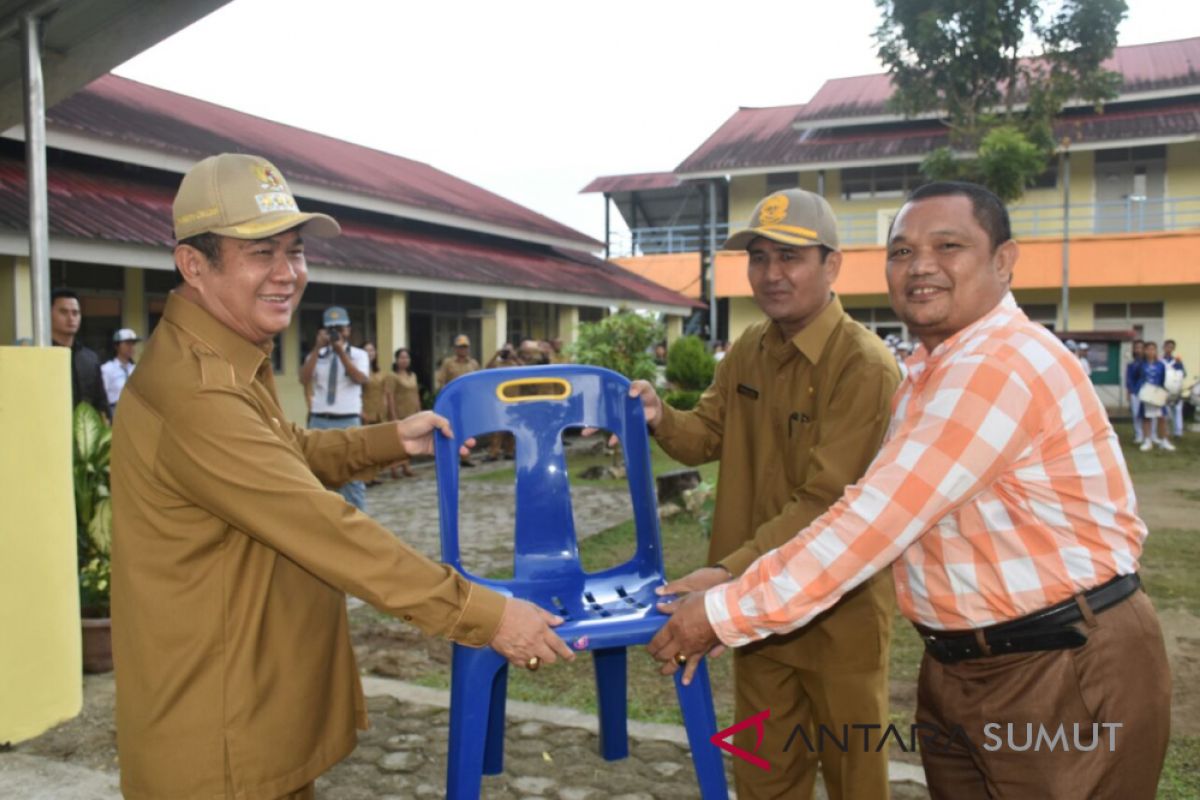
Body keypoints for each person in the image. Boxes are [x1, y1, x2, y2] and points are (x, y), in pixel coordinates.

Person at [648, 181, 1170, 800]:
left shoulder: (990, 366)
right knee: (767, 767)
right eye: (901, 252)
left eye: (949, 246)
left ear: (1003, 261)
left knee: (852, 774)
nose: (921, 265)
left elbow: (865, 520)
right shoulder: (929, 368)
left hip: (1053, 664)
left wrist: (719, 608)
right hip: (962, 659)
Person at [110, 153, 572, 800]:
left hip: (249, 701)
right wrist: (484, 613)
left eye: (294, 252)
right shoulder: (197, 391)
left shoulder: (223, 353)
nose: (287, 274)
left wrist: (388, 439)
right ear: (194, 265)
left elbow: (281, 448)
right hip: (217, 737)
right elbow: (324, 527)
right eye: (260, 253)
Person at [633, 188, 901, 800]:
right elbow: (705, 434)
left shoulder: (863, 365)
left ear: (831, 265)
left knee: (854, 780)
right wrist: (658, 416)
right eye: (759, 258)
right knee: (763, 778)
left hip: (839, 615)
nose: (771, 275)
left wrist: (722, 573)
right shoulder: (749, 348)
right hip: (758, 615)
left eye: (791, 258)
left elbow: (828, 503)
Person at [300, 306, 371, 510]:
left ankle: (359, 526)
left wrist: (341, 353)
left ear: (348, 330)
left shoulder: (358, 355)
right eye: (331, 329)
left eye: (339, 328)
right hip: (320, 419)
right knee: (317, 474)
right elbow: (304, 379)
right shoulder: (317, 355)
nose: (335, 333)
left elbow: (360, 379)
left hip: (347, 420)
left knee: (352, 476)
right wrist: (316, 349)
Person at [50, 287, 107, 416]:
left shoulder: (90, 358)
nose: (71, 318)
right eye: (64, 312)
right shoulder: (41, 355)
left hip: (85, 431)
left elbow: (101, 402)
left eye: (75, 313)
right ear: (49, 314)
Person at [385, 346, 421, 478]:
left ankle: (406, 465)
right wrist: (393, 414)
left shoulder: (413, 376)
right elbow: (390, 395)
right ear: (396, 360)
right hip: (399, 413)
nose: (404, 360)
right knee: (397, 442)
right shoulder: (392, 376)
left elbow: (416, 394)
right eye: (401, 357)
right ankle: (394, 468)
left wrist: (419, 410)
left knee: (408, 441)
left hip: (411, 412)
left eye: (406, 357)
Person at [1138, 341, 1174, 452]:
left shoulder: (1160, 365)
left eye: (1153, 349)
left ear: (1156, 351)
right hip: (1146, 394)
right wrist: (1138, 390)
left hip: (1158, 394)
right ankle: (1147, 441)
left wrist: (1164, 393)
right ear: (1144, 351)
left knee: (1162, 418)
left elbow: (1164, 380)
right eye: (1148, 349)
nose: (1150, 351)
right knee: (1146, 418)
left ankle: (1164, 440)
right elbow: (1135, 378)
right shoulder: (1140, 364)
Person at [101, 328, 140, 417]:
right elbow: (103, 395)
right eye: (127, 343)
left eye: (133, 344)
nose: (131, 347)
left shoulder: (136, 369)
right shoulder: (107, 369)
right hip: (115, 411)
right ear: (117, 346)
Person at [1162, 339, 1187, 438]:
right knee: (1166, 411)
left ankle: (1178, 432)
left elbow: (1183, 374)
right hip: (1164, 389)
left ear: (1174, 349)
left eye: (1171, 347)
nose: (1169, 349)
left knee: (1177, 410)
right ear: (1164, 347)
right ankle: (1166, 431)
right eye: (1167, 346)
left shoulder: (1177, 361)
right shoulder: (1160, 360)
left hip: (1176, 390)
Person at [1125, 339, 1146, 444]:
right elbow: (1128, 378)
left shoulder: (1148, 362)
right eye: (1136, 347)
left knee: (1148, 414)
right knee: (1136, 414)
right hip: (1135, 392)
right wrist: (1129, 391)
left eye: (1141, 347)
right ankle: (1139, 434)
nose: (1139, 350)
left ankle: (1149, 435)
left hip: (1147, 392)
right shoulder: (1131, 363)